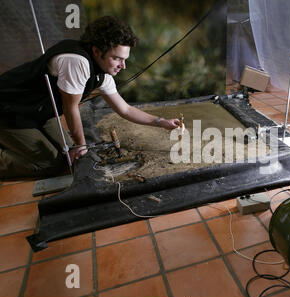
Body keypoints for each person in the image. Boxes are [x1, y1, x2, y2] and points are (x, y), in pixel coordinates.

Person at [0, 16, 180, 179]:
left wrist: (161, 122)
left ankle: (19, 143)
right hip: (10, 109)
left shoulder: (103, 73)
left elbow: (125, 109)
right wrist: (81, 144)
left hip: (41, 111)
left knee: (69, 155)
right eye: (117, 58)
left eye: (124, 59)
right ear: (96, 51)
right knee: (50, 164)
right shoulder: (77, 61)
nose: (123, 66)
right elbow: (71, 108)